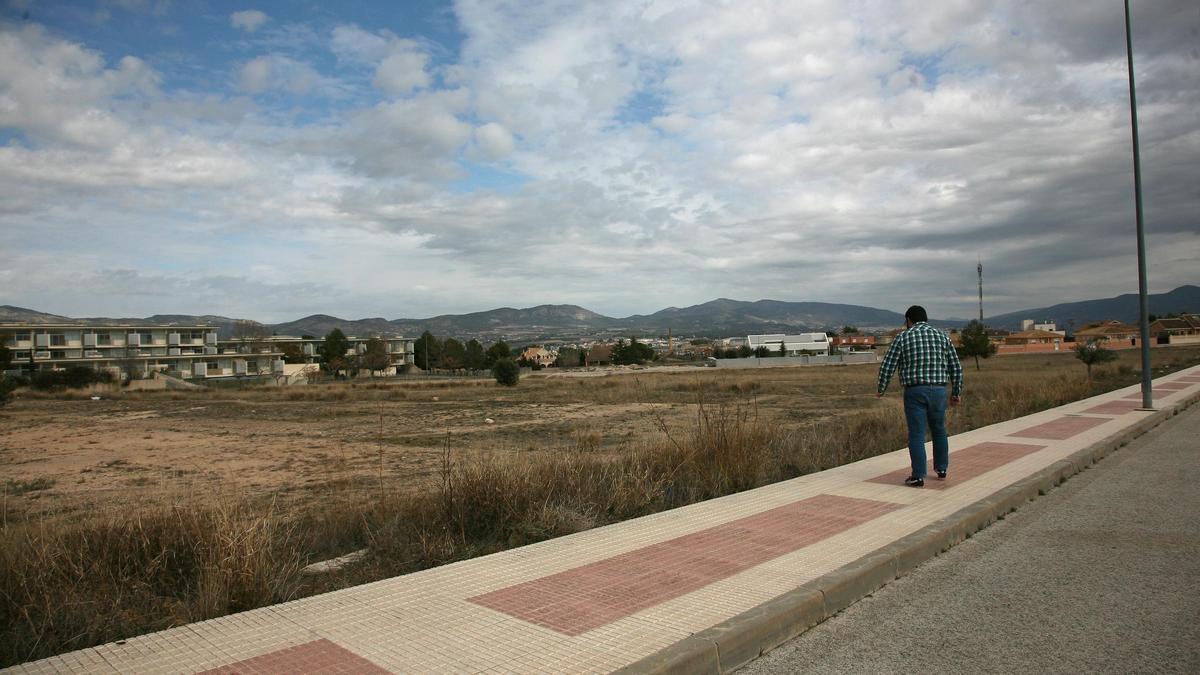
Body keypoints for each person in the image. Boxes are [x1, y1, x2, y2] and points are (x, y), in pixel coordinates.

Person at [876, 305, 964, 487]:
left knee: (917, 433)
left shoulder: (903, 337)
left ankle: (918, 475)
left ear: (909, 320)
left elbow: (888, 365)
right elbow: (955, 367)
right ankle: (941, 469)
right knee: (939, 430)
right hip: (939, 391)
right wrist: (956, 392)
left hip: (915, 391)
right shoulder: (942, 337)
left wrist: (881, 387)